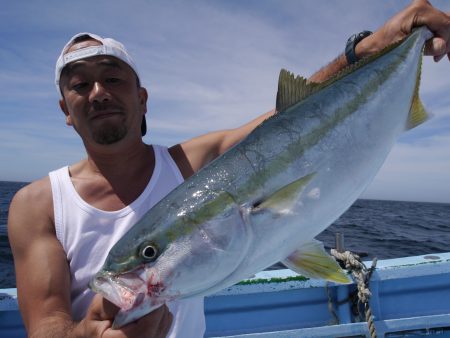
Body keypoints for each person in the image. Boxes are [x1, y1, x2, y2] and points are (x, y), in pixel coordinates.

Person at [7, 1, 449, 337]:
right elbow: (46, 323)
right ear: (65, 109)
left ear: (141, 97)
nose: (98, 91)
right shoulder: (39, 204)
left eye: (113, 77)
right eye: (80, 85)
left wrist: (373, 46)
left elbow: (284, 123)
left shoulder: (188, 165)